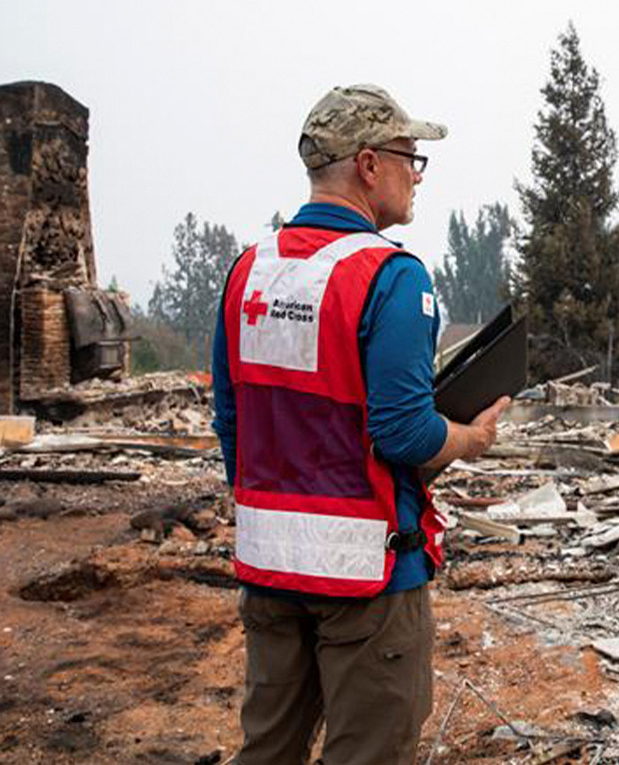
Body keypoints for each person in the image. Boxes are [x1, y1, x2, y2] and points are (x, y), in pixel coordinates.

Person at [215, 84, 513, 765]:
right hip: (367, 577)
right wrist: (471, 435)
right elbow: (404, 432)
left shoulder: (248, 273)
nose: (417, 176)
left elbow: (232, 418)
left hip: (269, 564)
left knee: (267, 749)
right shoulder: (392, 277)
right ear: (369, 164)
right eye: (412, 158)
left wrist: (279, 503)